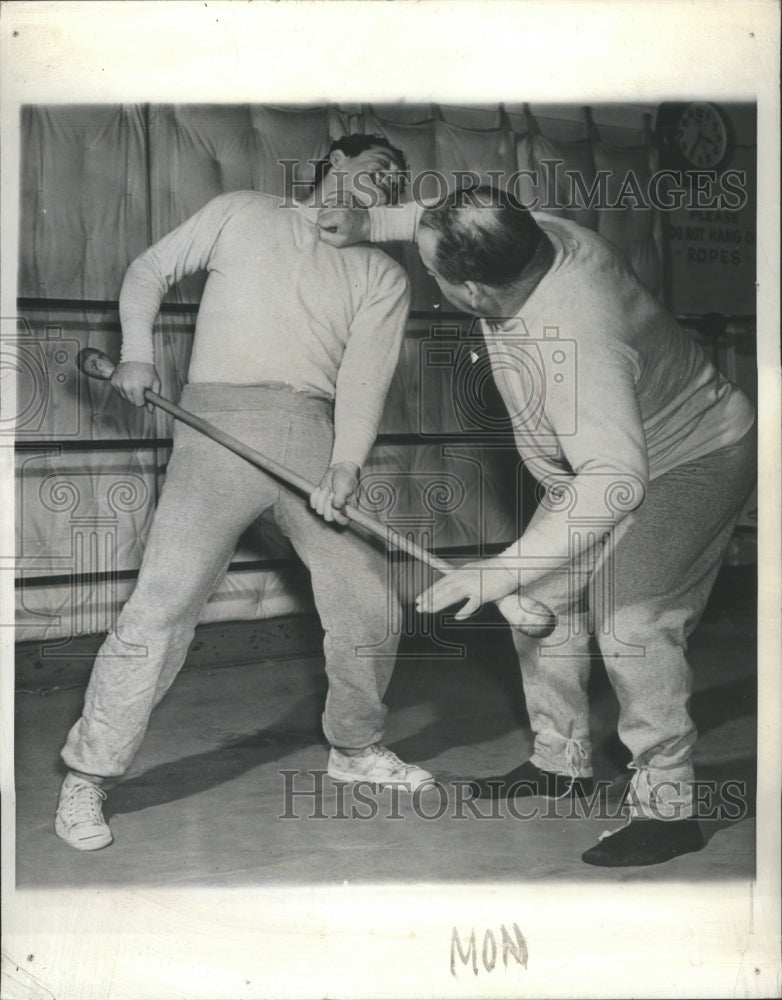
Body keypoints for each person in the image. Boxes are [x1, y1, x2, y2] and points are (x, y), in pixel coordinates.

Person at [317, 186, 756, 867]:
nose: (427, 276)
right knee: (539, 606)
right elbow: (444, 209)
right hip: (603, 464)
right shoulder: (528, 235)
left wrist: (499, 568)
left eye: (433, 273)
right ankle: (561, 763)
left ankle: (670, 809)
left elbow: (616, 481)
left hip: (694, 457)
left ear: (473, 293)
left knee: (632, 624)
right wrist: (372, 220)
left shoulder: (576, 337)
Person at [55, 134, 435, 853]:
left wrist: (345, 468)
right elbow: (150, 269)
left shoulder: (384, 276)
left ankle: (354, 750)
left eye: (396, 181)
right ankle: (89, 773)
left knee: (370, 599)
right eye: (378, 168)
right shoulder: (244, 212)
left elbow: (362, 384)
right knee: (162, 606)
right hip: (214, 428)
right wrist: (136, 352)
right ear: (336, 163)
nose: (386, 183)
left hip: (311, 435)